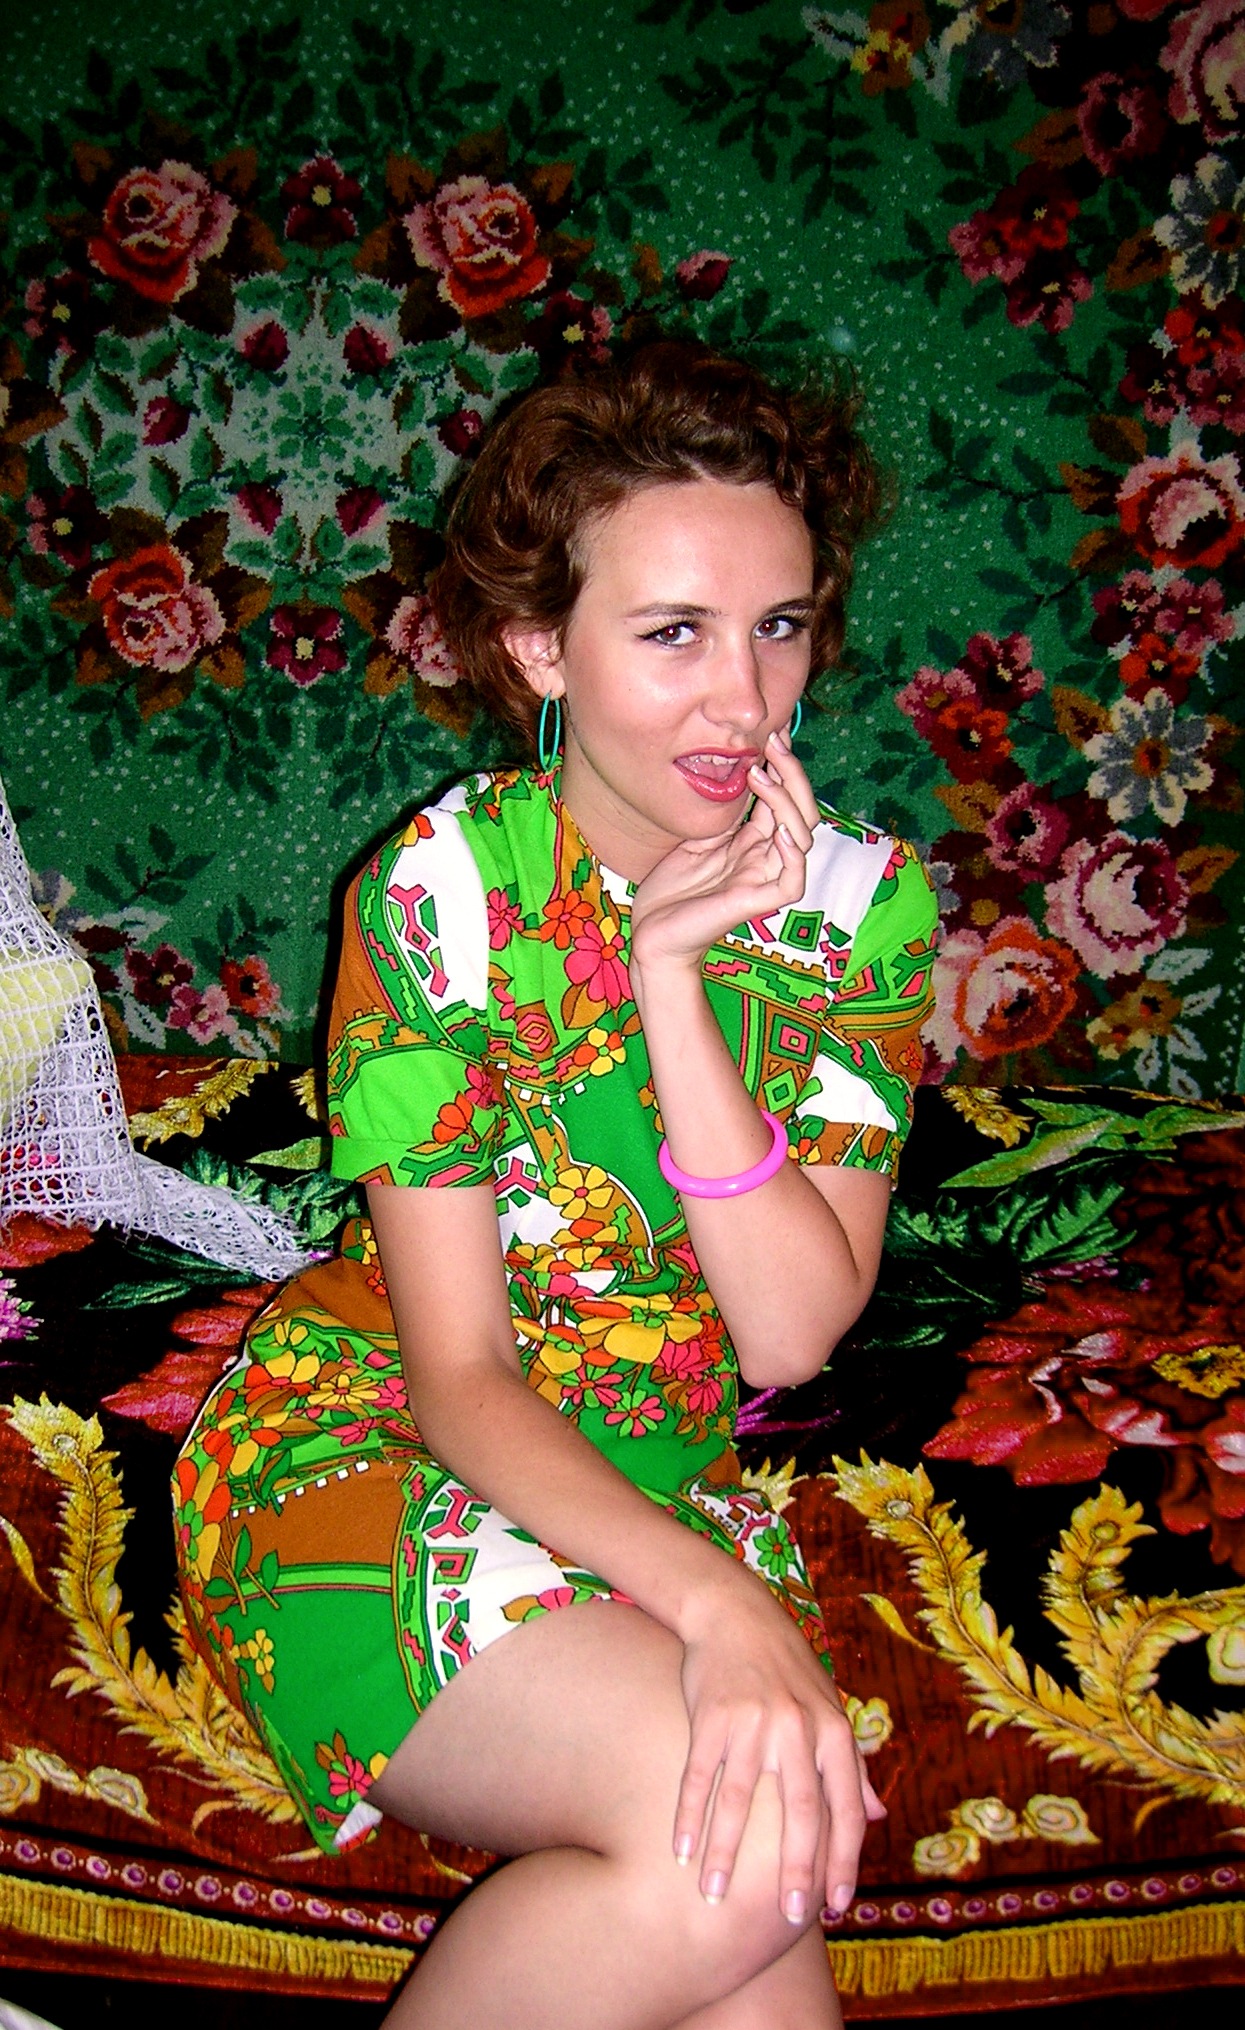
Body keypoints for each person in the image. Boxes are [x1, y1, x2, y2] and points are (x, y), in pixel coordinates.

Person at [173, 341, 938, 2028]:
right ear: (541, 647)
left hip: (655, 1482)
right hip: (380, 1444)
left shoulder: (858, 908)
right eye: (671, 633)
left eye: (779, 624)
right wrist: (720, 1607)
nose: (742, 700)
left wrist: (673, 984)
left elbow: (788, 1330)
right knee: (742, 1847)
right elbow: (458, 1371)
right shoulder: (439, 895)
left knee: (758, 1879)